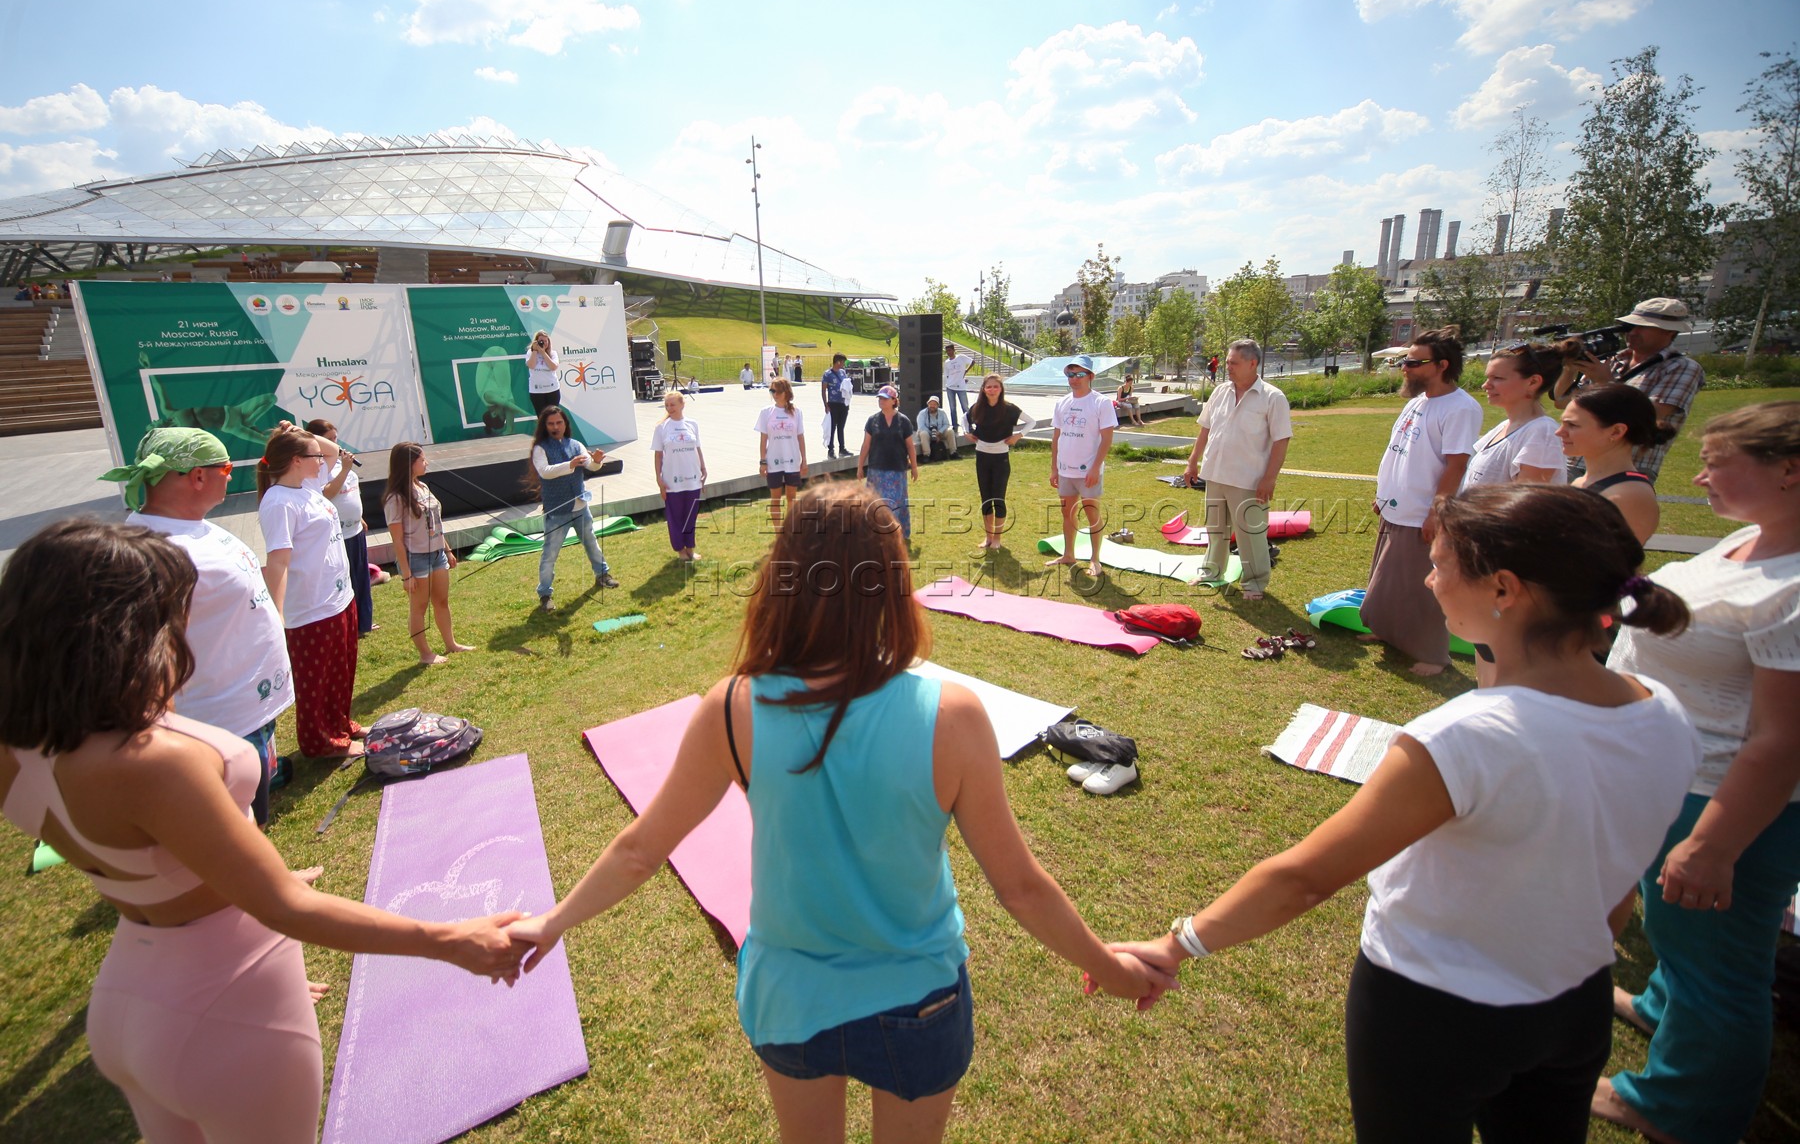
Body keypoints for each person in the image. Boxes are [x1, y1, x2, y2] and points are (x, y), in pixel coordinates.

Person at [502, 484, 1169, 1143]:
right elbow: (1019, 886)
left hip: (788, 998)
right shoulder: (953, 716)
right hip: (919, 1000)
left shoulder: (732, 707)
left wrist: (552, 922)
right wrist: (1110, 967)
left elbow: (639, 849)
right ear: (891, 581)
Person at [1105, 484, 1700, 1144]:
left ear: (1504, 589)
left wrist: (1177, 944)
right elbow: (1613, 886)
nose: (1428, 580)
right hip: (1574, 1001)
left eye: (1440, 565)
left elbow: (1304, 878)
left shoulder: (1466, 737)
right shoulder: (1664, 711)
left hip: (1436, 1015)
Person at [0, 520, 528, 1144]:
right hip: (227, 1007)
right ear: (123, 635)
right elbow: (285, 906)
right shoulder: (153, 761)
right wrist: (452, 939)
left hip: (128, 995)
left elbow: (152, 857)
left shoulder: (21, 748)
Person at [1592, 402, 1800, 1144]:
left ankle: (1681, 1109)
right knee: (1682, 931)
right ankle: (1662, 1006)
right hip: (1681, 771)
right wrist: (1609, 588)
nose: (1701, 477)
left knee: (1723, 966)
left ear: (1790, 470)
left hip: (1726, 797)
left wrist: (1712, 845)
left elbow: (1782, 742)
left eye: (1717, 465)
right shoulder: (1756, 539)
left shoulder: (1794, 586)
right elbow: (1688, 614)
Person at [104, 427, 294, 825]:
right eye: (226, 468)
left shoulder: (192, 526)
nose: (231, 475)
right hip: (217, 725)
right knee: (232, 829)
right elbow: (145, 659)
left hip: (246, 711)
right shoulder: (151, 552)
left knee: (252, 816)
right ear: (198, 476)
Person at [1361, 327, 1484, 676]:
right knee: (1388, 581)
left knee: (1422, 587)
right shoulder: (1418, 402)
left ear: (1442, 365)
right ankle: (1387, 632)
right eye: (1406, 360)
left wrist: (1436, 512)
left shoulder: (1461, 408)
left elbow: (1456, 465)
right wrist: (1384, 495)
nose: (1406, 367)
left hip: (1422, 513)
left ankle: (1433, 655)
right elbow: (1400, 453)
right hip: (1397, 508)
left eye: (1415, 362)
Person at [256, 425, 361, 759]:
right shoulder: (279, 502)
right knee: (317, 679)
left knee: (342, 669)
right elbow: (278, 562)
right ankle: (321, 742)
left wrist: (301, 432)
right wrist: (277, 614)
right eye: (313, 456)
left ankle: (340, 724)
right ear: (296, 460)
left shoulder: (306, 486)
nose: (323, 460)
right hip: (311, 608)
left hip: (338, 597)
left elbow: (332, 450)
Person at [1181, 341, 1292, 601]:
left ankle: (1254, 583)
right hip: (1215, 473)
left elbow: (1281, 440)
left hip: (1249, 479)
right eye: (1228, 362)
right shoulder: (1220, 391)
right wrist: (1192, 461)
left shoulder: (1273, 397)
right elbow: (1205, 428)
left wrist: (1269, 479)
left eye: (1234, 363)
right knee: (1216, 530)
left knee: (1250, 534)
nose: (1227, 367)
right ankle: (1211, 572)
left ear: (1252, 364)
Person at [1551, 297, 1705, 484]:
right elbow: (1562, 401)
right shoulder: (1614, 361)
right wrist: (1570, 368)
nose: (1632, 332)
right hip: (1578, 460)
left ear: (1669, 332)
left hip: (1629, 466)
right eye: (1629, 326)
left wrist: (1605, 382)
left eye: (1643, 327)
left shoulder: (1681, 367)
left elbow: (1651, 413)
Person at [383, 443, 474, 666]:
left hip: (437, 554)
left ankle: (451, 644)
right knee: (419, 607)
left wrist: (447, 550)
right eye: (422, 460)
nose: (427, 463)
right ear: (408, 464)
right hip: (416, 558)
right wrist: (406, 574)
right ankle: (425, 654)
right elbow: (397, 540)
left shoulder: (422, 486)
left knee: (442, 601)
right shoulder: (396, 498)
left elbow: (435, 523)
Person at [527, 404, 620, 611]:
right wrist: (570, 464)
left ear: (565, 424)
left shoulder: (576, 444)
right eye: (551, 424)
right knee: (550, 554)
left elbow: (590, 465)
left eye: (559, 422)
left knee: (591, 543)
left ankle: (603, 575)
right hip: (557, 510)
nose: (555, 427)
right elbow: (545, 471)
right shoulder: (540, 448)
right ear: (544, 426)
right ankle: (545, 594)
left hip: (580, 506)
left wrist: (597, 462)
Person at [1556, 384, 1670, 546]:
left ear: (1616, 431)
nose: (1559, 432)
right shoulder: (1583, 482)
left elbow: (1613, 559)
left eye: (1572, 425)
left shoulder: (1629, 495)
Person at [1046, 355, 1116, 580]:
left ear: (1090, 376)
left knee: (1091, 513)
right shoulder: (1062, 403)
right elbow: (1056, 437)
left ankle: (1095, 559)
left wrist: (1095, 468)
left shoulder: (1101, 402)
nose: (1074, 379)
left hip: (1088, 471)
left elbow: (1107, 439)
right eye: (1070, 374)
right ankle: (1069, 554)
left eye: (1079, 374)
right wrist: (1054, 468)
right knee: (1067, 513)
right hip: (1065, 469)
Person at [303, 419, 375, 637]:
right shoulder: (320, 468)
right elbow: (326, 494)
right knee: (346, 579)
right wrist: (344, 469)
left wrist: (359, 518)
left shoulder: (345, 466)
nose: (335, 443)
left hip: (355, 530)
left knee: (361, 577)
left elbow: (352, 495)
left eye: (335, 438)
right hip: (338, 535)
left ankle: (364, 621)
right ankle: (351, 623)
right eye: (329, 440)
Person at [1462, 345, 1566, 490]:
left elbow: (1526, 500)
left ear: (1533, 382)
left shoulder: (1541, 433)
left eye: (1497, 378)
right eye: (1488, 378)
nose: (1485, 385)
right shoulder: (1506, 426)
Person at [964, 375, 1031, 553]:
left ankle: (997, 538)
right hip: (982, 456)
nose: (992, 390)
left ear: (1001, 389)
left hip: (1001, 458)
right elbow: (965, 418)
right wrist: (966, 432)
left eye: (995, 387)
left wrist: (1018, 436)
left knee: (998, 499)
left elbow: (1031, 422)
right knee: (986, 499)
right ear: (983, 389)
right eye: (989, 387)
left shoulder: (1009, 408)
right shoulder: (978, 407)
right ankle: (988, 536)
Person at [857, 384, 919, 542]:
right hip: (876, 470)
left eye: (885, 399)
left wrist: (914, 467)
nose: (881, 401)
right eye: (880, 398)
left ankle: (895, 533)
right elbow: (866, 445)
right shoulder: (872, 421)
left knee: (895, 503)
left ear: (894, 400)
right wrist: (860, 466)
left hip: (896, 469)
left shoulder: (903, 421)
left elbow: (910, 446)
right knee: (875, 502)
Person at [652, 391, 708, 564]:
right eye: (667, 405)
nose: (669, 408)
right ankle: (680, 550)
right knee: (675, 516)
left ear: (682, 405)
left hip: (692, 478)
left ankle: (690, 548)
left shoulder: (692, 424)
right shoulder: (661, 428)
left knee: (690, 515)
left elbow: (697, 448)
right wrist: (659, 479)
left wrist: (703, 467)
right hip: (672, 481)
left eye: (673, 405)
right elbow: (658, 456)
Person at [755, 378, 807, 529]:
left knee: (792, 498)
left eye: (777, 391)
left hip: (792, 460)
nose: (774, 394)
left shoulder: (796, 412)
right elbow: (763, 439)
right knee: (775, 499)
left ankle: (790, 532)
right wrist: (762, 461)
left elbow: (800, 437)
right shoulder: (766, 412)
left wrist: (804, 460)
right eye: (772, 391)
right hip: (773, 461)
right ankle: (779, 533)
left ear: (786, 392)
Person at [821, 352, 853, 458]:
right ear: (838, 362)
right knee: (832, 427)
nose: (844, 364)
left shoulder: (843, 372)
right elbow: (823, 390)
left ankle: (842, 448)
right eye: (843, 362)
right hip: (833, 404)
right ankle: (831, 449)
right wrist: (826, 405)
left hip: (843, 403)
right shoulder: (827, 374)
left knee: (841, 427)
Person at [526, 330, 561, 414]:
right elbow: (531, 365)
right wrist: (535, 350)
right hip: (536, 391)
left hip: (552, 390)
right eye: (541, 341)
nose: (544, 343)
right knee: (541, 416)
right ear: (536, 341)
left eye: (546, 341)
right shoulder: (530, 352)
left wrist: (543, 353)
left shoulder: (553, 353)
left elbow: (553, 367)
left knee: (553, 415)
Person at [942, 343, 974, 432]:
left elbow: (972, 362)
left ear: (953, 350)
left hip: (961, 387)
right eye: (947, 351)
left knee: (965, 407)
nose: (949, 352)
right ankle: (954, 425)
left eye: (950, 350)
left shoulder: (961, 357)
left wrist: (966, 371)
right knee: (952, 407)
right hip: (950, 387)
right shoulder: (947, 362)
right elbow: (947, 375)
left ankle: (969, 425)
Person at [915, 396, 957, 462]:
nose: (932, 406)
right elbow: (921, 426)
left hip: (939, 433)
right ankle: (926, 455)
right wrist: (933, 434)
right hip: (927, 433)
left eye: (934, 404)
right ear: (928, 404)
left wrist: (939, 432)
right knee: (923, 433)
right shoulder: (922, 413)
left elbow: (946, 424)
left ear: (938, 405)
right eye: (930, 404)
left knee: (950, 431)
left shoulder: (942, 412)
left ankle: (953, 453)